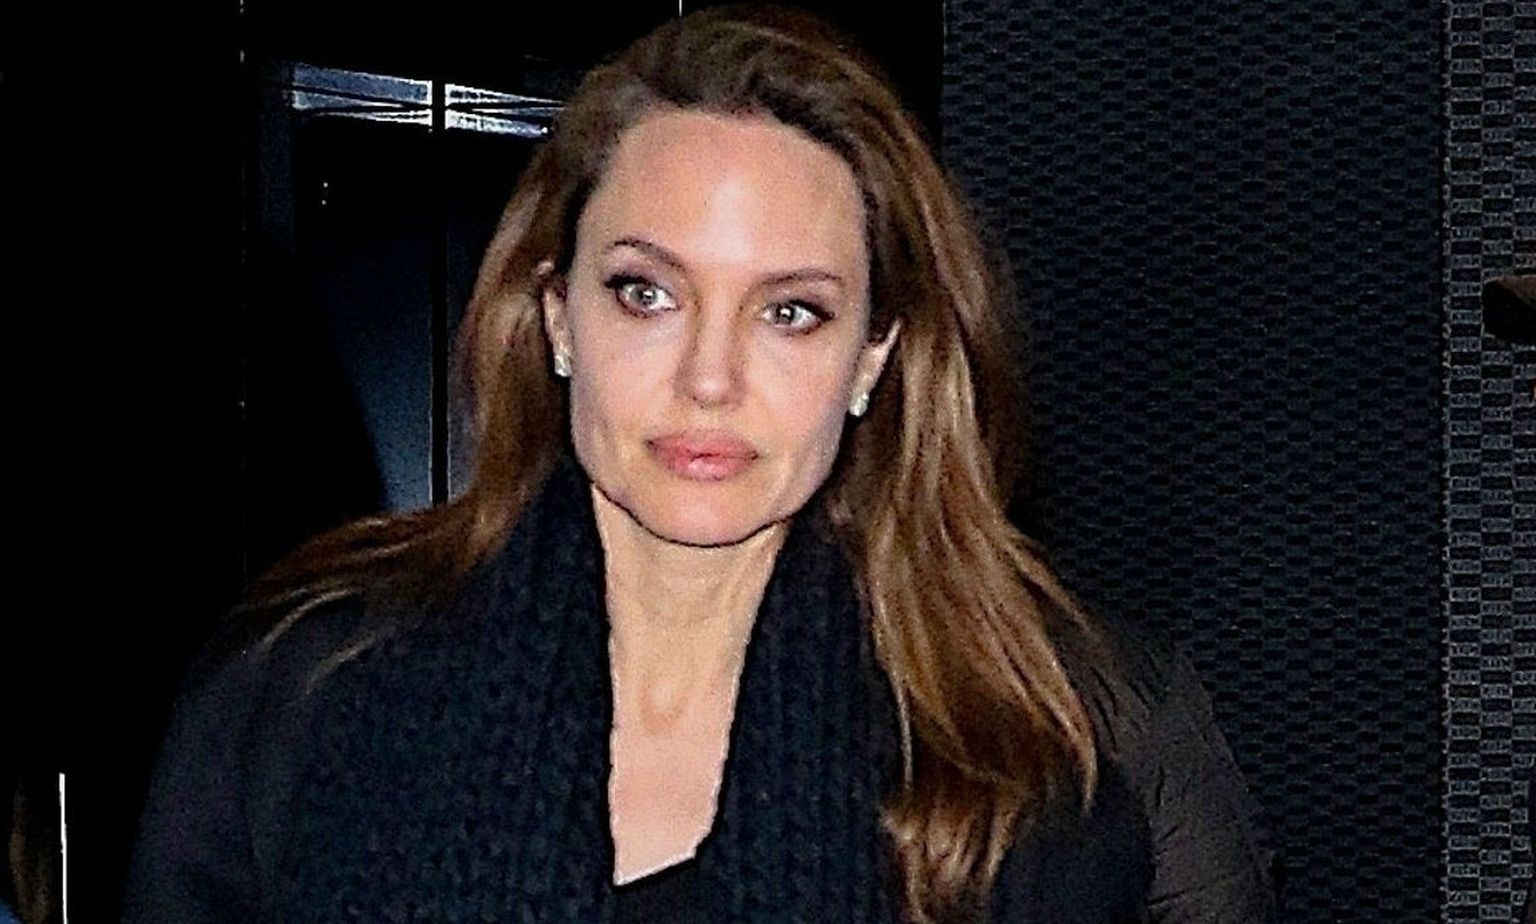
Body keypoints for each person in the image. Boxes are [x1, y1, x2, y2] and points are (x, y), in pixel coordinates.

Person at [123, 6, 1276, 922]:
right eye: (648, 293)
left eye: (790, 311)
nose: (709, 379)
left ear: (874, 357)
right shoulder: (298, 690)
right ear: (558, 316)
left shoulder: (1063, 741)